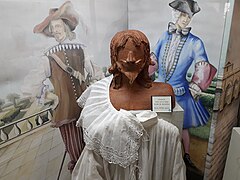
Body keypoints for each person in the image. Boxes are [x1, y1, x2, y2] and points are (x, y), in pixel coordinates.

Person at [72, 30, 186, 180]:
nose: (130, 59)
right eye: (123, 52)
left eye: (136, 52)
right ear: (114, 56)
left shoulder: (164, 91)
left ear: (146, 56)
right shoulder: (98, 93)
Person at [22, 1, 102, 172]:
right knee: (75, 150)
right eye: (52, 27)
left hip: (85, 108)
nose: (55, 30)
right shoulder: (48, 58)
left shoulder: (81, 50)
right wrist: (51, 96)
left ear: (66, 27)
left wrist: (94, 88)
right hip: (66, 111)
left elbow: (96, 74)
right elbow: (30, 86)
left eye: (58, 26)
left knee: (90, 145)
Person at [149, 0, 217, 169]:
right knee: (155, 123)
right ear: (176, 15)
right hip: (157, 90)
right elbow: (153, 59)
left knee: (182, 127)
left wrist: (196, 86)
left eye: (189, 16)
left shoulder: (195, 42)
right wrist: (143, 73)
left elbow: (202, 65)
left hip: (180, 93)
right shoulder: (164, 36)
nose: (186, 19)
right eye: (183, 15)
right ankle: (155, 155)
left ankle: (185, 157)